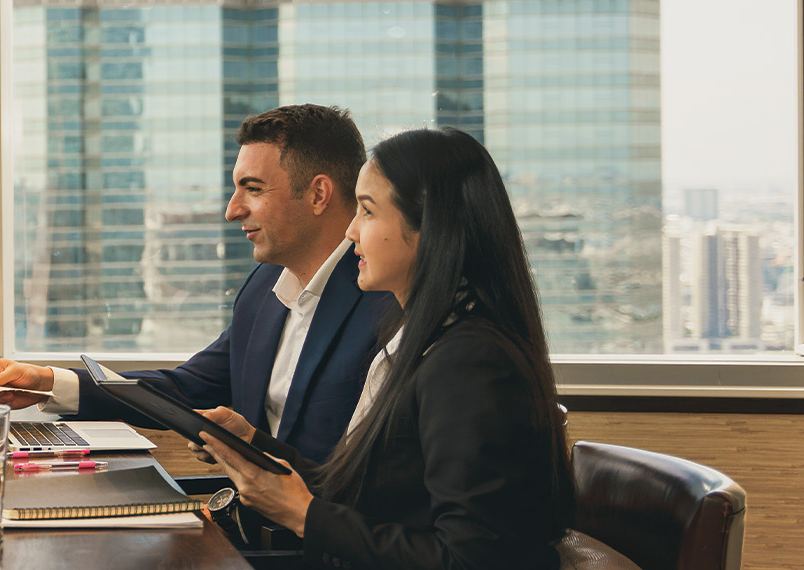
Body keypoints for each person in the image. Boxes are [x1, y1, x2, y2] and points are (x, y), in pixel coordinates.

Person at [195, 127, 574, 569]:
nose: (351, 231)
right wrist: (254, 444)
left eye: (368, 212)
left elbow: (471, 560)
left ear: (431, 228)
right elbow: (367, 494)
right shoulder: (417, 334)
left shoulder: (470, 363)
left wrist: (303, 516)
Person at [0, 104, 392, 463]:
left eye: (252, 189)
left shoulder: (389, 306)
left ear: (319, 194)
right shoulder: (264, 289)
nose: (232, 211)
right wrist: (48, 383)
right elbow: (187, 388)